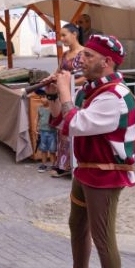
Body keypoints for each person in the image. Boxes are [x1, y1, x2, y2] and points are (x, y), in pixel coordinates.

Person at [43, 34, 135, 268]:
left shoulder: (114, 96)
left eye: (89, 56)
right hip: (86, 168)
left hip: (106, 174)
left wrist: (65, 91)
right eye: (83, 54)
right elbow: (60, 120)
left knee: (103, 235)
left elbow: (76, 123)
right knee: (77, 224)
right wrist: (53, 94)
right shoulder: (92, 89)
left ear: (107, 62)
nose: (80, 59)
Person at [51, 23, 86, 178]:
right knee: (62, 129)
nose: (62, 38)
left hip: (78, 96)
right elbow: (58, 71)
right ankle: (63, 164)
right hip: (64, 94)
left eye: (64, 35)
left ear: (74, 34)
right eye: (61, 35)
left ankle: (76, 163)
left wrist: (68, 83)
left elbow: (86, 76)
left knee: (74, 127)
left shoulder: (85, 53)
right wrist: (51, 79)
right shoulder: (65, 55)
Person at [35, 93, 57, 172]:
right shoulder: (40, 108)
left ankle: (53, 165)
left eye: (44, 97)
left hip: (52, 132)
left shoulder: (53, 109)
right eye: (40, 97)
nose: (42, 99)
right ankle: (43, 164)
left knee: (52, 150)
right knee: (43, 149)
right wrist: (36, 128)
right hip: (42, 132)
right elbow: (37, 118)